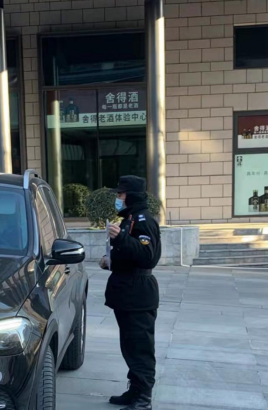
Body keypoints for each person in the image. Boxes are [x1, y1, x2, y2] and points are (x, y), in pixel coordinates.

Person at [100, 175, 161, 410]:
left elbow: (148, 257)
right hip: (127, 293)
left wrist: (121, 237)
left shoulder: (144, 220)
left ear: (131, 195)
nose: (118, 198)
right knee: (130, 346)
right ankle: (134, 391)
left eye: (121, 194)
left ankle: (143, 399)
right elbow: (129, 255)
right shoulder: (130, 219)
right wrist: (110, 260)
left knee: (140, 348)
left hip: (138, 294)